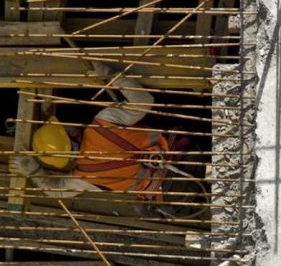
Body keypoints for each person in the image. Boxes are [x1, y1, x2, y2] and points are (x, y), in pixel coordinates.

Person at [11, 62, 171, 201]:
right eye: (65, 127)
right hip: (183, 154)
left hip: (169, 192)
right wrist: (110, 75)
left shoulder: (84, 177)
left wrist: (33, 170)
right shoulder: (102, 123)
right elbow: (144, 101)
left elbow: (56, 191)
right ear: (71, 135)